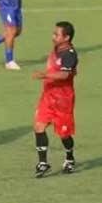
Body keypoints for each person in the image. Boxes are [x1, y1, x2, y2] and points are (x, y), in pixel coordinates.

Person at [32, 21, 78, 178]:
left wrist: (45, 75)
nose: (53, 37)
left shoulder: (70, 54)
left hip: (63, 99)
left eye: (56, 34)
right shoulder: (58, 48)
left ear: (66, 37)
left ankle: (70, 158)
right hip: (48, 96)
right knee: (39, 126)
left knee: (64, 134)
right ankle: (43, 163)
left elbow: (65, 75)